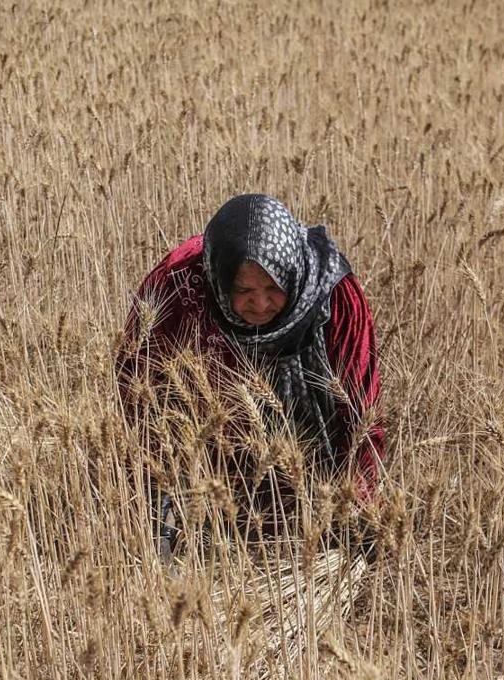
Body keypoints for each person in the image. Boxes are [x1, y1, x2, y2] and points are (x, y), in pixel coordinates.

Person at [117, 193, 384, 559]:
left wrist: (358, 506)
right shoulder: (177, 290)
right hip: (211, 472)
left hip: (309, 474)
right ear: (219, 281)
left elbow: (359, 413)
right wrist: (158, 499)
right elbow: (139, 393)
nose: (260, 305)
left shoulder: (334, 296)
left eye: (274, 288)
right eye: (243, 291)